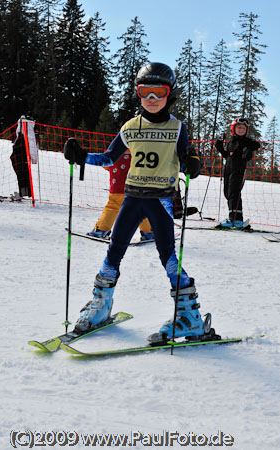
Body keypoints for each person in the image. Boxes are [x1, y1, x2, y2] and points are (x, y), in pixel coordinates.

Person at [64, 62, 213, 343]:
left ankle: (190, 317)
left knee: (168, 256)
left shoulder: (177, 128)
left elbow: (187, 159)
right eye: (146, 92)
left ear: (171, 94)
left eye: (159, 92)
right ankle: (101, 306)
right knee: (114, 250)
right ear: (138, 93)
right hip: (132, 199)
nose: (152, 99)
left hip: (160, 202)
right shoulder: (130, 127)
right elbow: (110, 158)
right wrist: (81, 156)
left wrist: (193, 162)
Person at [88, 150, 154, 241]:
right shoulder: (138, 150)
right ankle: (149, 232)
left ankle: (101, 229)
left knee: (112, 207)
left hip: (116, 188)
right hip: (134, 187)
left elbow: (105, 164)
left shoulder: (113, 151)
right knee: (140, 209)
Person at [215, 117, 260, 228]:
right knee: (228, 193)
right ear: (233, 128)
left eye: (243, 128)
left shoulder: (247, 142)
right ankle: (233, 218)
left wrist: (248, 151)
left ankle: (237, 220)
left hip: (239, 170)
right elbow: (228, 156)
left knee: (234, 193)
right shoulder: (232, 142)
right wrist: (220, 147)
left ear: (246, 130)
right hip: (228, 169)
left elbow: (256, 145)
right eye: (239, 127)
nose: (241, 129)